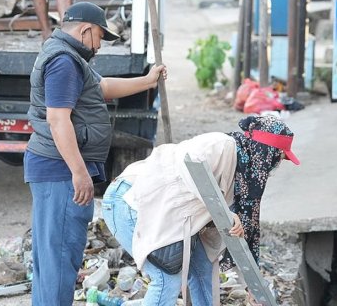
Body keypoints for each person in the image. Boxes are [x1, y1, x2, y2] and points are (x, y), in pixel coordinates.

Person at [24, 1, 167, 305]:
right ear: (85, 30)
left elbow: (100, 88)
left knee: (54, 259)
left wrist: (147, 81)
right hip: (59, 170)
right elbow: (57, 119)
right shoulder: (63, 61)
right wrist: (79, 172)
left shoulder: (68, 56)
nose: (100, 45)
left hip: (54, 167)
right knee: (60, 259)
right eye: (100, 36)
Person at [102, 115, 300, 306]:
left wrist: (252, 288)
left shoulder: (244, 185)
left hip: (165, 214)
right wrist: (223, 212)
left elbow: (242, 239)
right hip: (130, 200)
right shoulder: (221, 145)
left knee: (202, 267)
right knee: (166, 279)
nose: (276, 166)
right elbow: (188, 165)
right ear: (265, 152)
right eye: (278, 158)